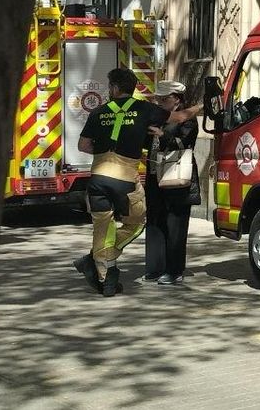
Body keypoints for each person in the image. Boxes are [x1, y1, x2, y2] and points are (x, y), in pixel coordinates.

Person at [73, 68, 201, 297]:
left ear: (113, 88)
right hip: (125, 181)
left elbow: (83, 146)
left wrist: (104, 154)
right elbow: (181, 117)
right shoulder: (144, 109)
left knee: (103, 228)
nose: (160, 101)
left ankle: (106, 276)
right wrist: (203, 105)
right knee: (136, 224)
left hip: (98, 179)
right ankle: (98, 261)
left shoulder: (98, 112)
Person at [143, 80, 201, 285]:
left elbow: (184, 144)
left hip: (177, 177)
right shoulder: (157, 116)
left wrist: (163, 134)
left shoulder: (187, 120)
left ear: (176, 99)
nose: (159, 102)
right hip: (154, 176)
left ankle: (174, 269)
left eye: (163, 99)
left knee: (175, 225)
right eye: (157, 99)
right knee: (155, 221)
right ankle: (155, 267)